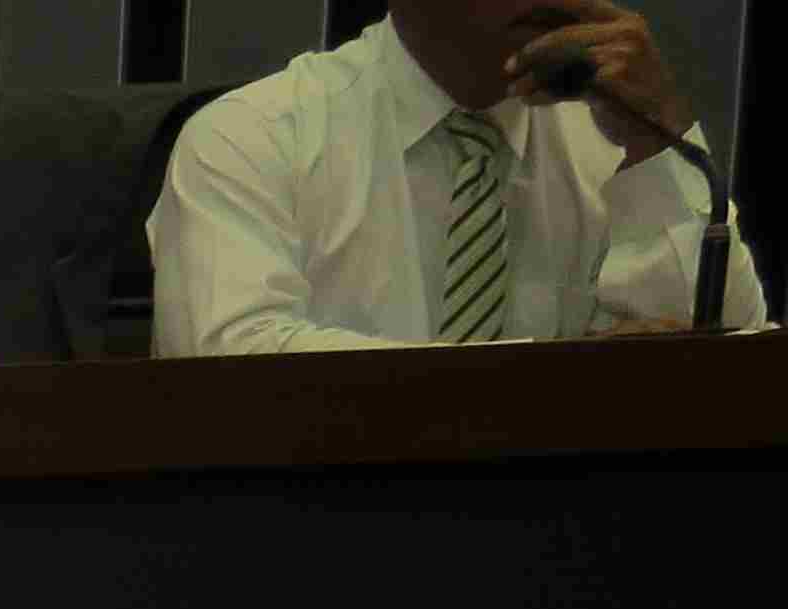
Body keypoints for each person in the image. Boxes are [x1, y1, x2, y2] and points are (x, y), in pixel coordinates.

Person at [149, 1, 763, 352]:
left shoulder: (611, 136)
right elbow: (233, 361)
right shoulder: (252, 136)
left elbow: (729, 362)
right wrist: (556, 385)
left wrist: (655, 144)